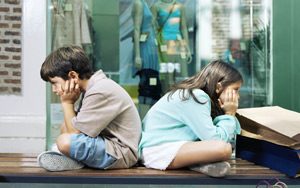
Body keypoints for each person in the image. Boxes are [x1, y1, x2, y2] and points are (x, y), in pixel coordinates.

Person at [38, 46, 141, 171]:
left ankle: (78, 162)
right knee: (64, 130)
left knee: (64, 142)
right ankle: (77, 160)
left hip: (121, 153)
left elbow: (74, 134)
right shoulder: (91, 89)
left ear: (72, 76)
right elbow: (68, 128)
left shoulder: (99, 91)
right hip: (110, 147)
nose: (54, 90)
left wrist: (67, 103)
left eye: (54, 83)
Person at [138, 59, 243, 177]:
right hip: (157, 150)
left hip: (169, 147)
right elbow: (216, 140)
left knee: (223, 148)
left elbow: (234, 137)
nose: (237, 96)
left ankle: (198, 164)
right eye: (235, 90)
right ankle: (197, 163)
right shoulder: (196, 97)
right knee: (223, 149)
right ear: (218, 87)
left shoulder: (200, 97)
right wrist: (229, 114)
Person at [151, 0, 192, 93]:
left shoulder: (180, 6)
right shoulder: (156, 6)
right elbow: (152, 24)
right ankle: (166, 98)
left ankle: (181, 99)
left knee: (182, 74)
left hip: (178, 42)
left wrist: (187, 48)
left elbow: (183, 27)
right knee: (167, 74)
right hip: (164, 42)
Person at [132, 0, 162, 118]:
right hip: (145, 49)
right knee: (146, 87)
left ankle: (151, 121)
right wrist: (137, 55)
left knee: (154, 88)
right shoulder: (139, 4)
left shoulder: (148, 4)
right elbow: (136, 29)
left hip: (151, 48)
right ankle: (143, 121)